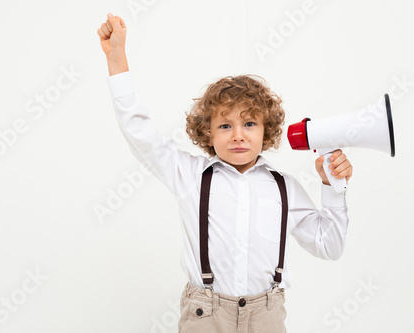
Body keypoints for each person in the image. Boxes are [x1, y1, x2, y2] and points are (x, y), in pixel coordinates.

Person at [97, 13, 353, 333]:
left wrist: (333, 187)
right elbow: (140, 134)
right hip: (206, 314)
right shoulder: (190, 175)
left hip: (267, 315)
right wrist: (117, 59)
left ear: (266, 129)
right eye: (224, 125)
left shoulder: (284, 187)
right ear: (208, 133)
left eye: (249, 123)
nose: (238, 135)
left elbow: (328, 246)